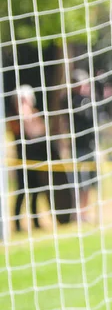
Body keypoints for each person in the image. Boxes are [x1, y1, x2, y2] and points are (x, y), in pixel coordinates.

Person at [8, 85, 59, 232]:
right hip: (22, 161)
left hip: (36, 160)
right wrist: (24, 115)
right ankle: (16, 223)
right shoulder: (14, 117)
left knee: (37, 192)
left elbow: (41, 132)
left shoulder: (35, 114)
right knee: (22, 192)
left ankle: (36, 221)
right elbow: (25, 133)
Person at [63, 69, 98, 222]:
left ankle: (85, 212)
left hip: (90, 146)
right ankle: (76, 213)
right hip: (78, 147)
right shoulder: (70, 102)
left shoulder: (90, 101)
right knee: (78, 182)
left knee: (89, 182)